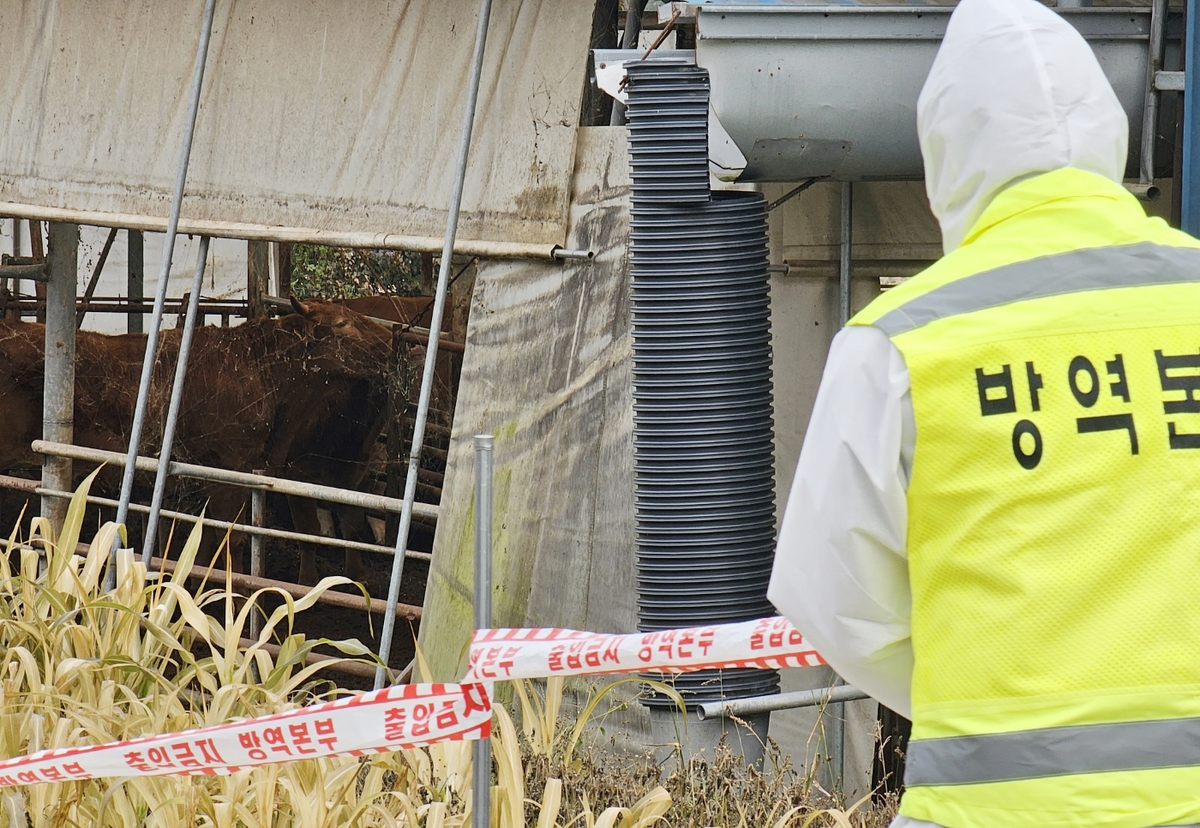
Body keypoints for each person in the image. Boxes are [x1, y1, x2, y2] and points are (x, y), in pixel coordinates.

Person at [767, 0, 1200, 825]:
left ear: (949, 155)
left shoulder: (899, 342)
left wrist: (978, 687)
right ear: (1109, 127)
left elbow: (833, 597)